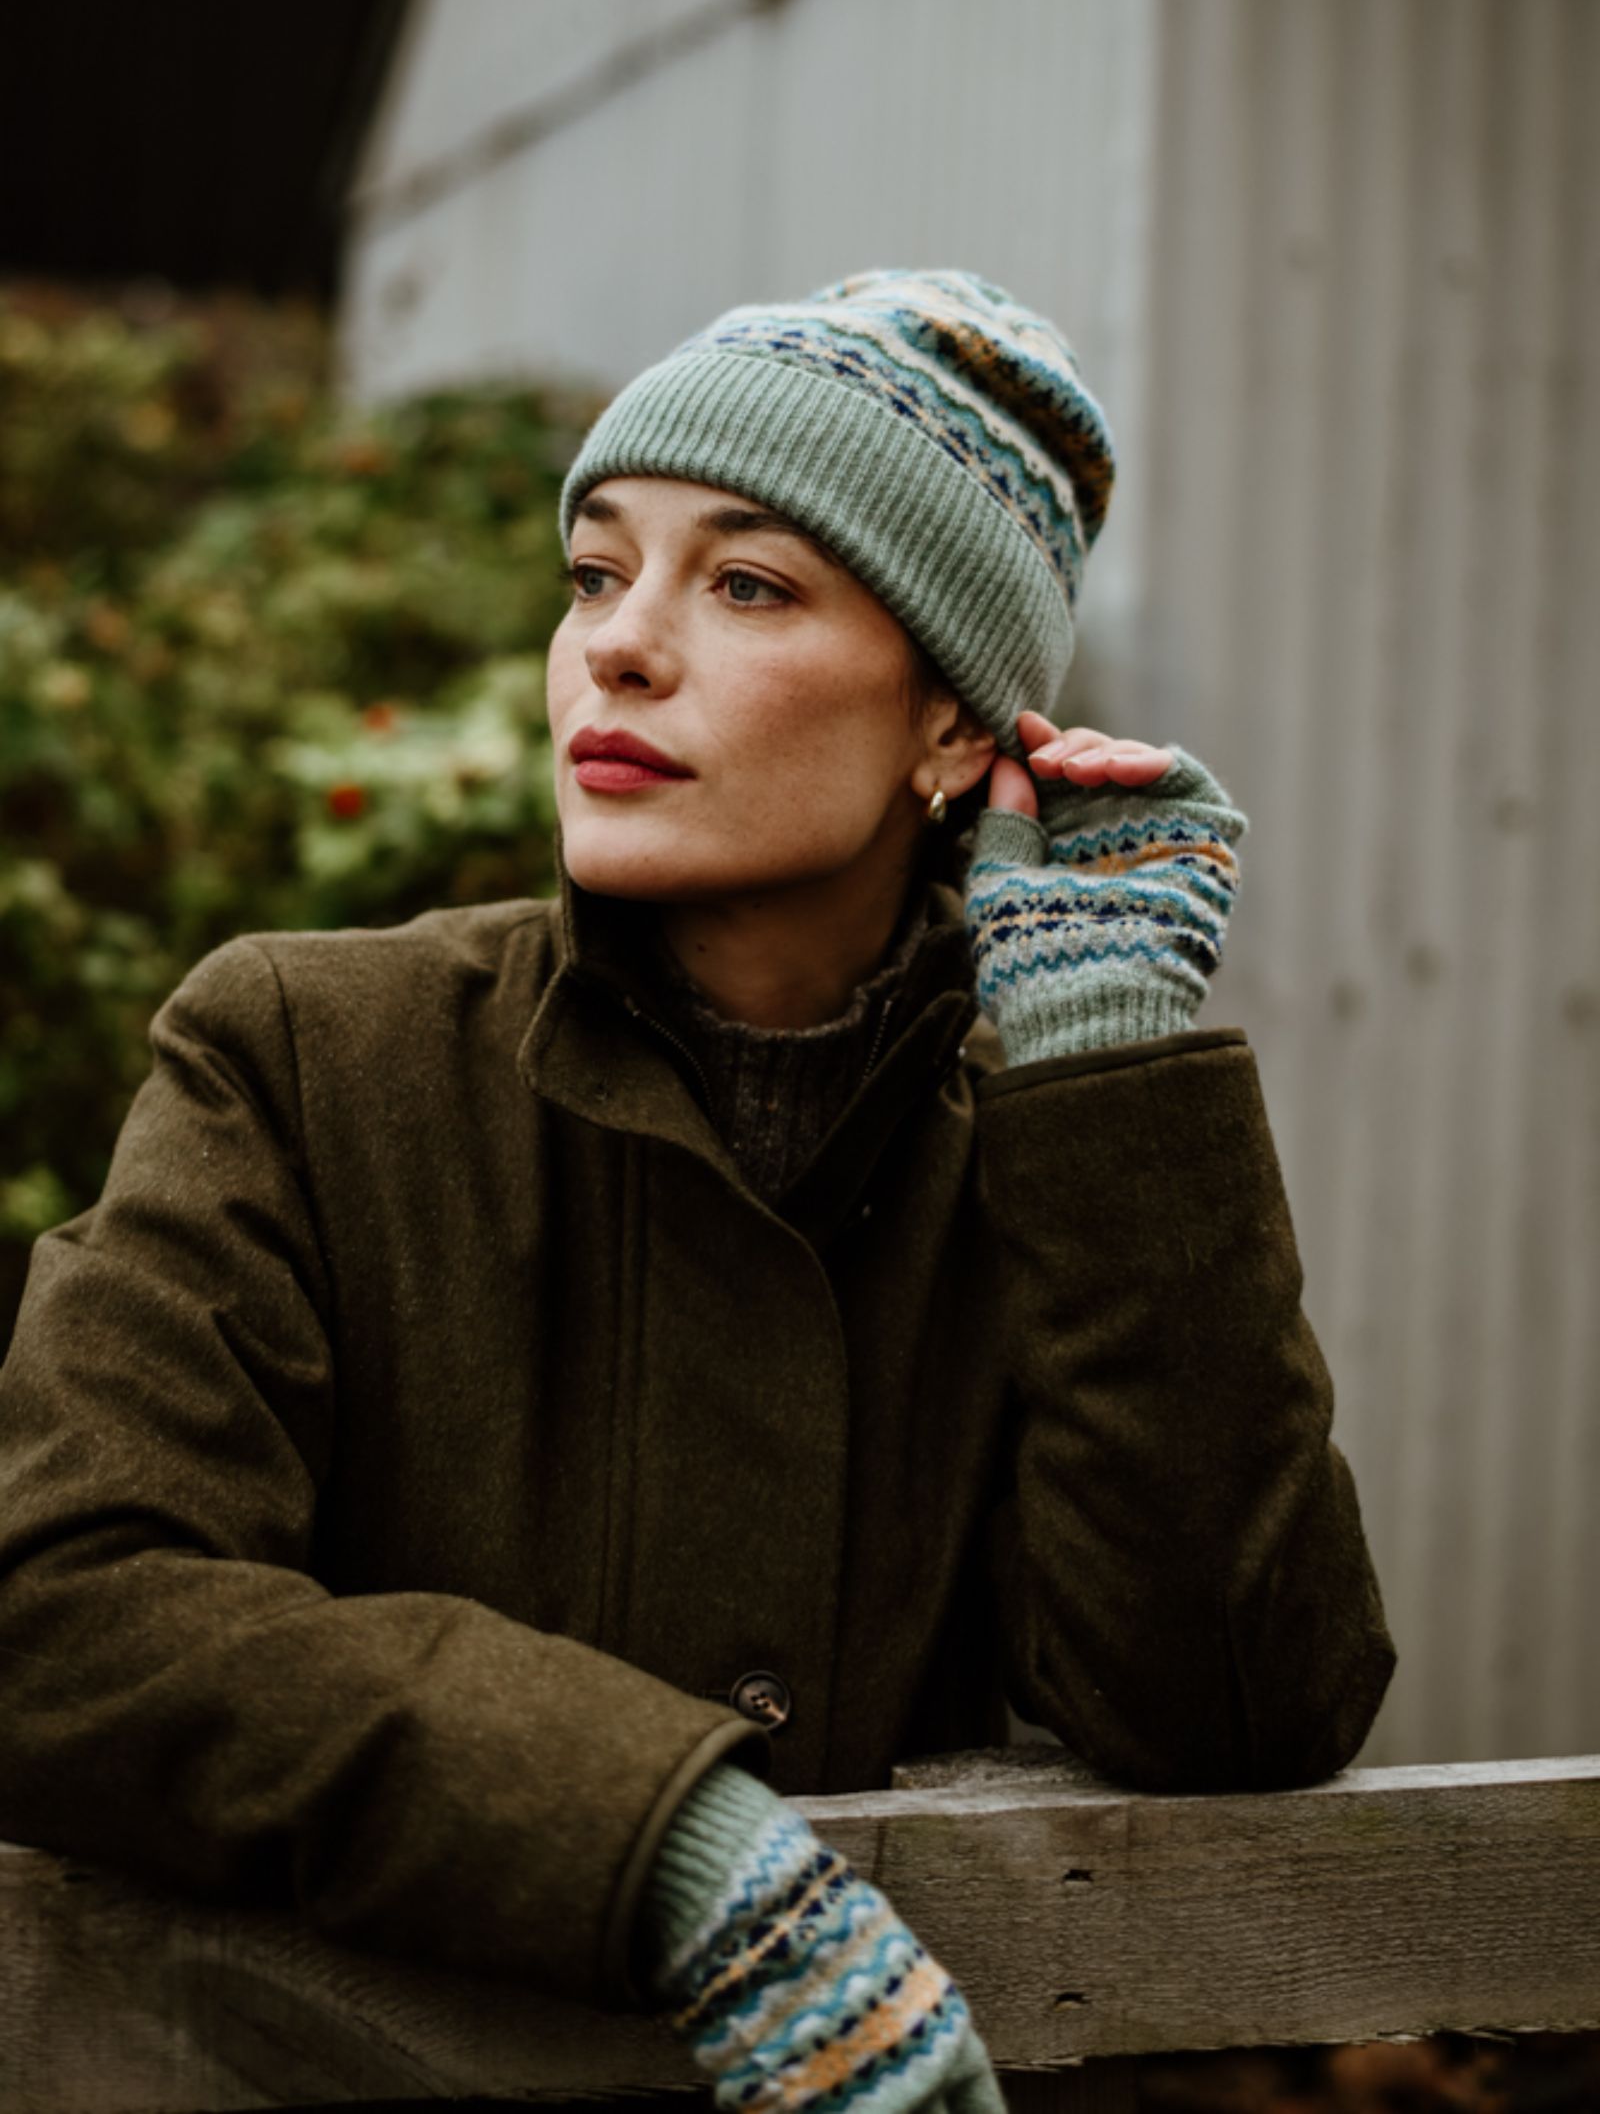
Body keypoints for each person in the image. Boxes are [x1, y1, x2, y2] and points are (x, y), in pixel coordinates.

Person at [0, 270, 1395, 2113]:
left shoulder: (1045, 1152)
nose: (619, 648)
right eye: (596, 573)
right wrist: (675, 1852)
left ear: (954, 733)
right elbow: (67, 1608)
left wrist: (1110, 1060)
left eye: (746, 583)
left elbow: (1236, 1706)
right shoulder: (303, 1054)